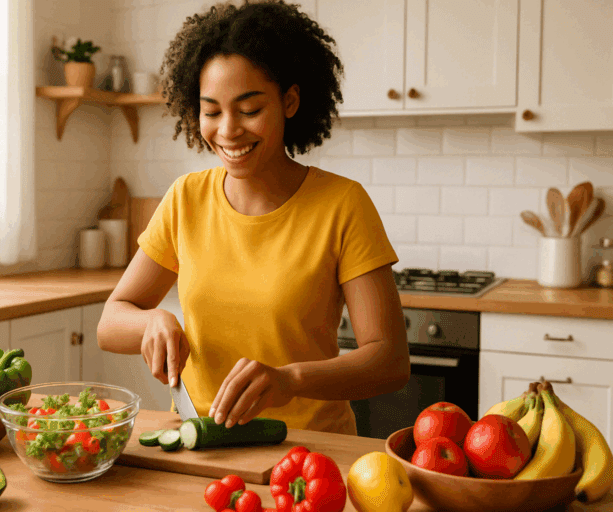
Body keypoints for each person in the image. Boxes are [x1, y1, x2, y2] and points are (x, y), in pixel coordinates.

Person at [97, 0, 410, 436]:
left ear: (290, 101)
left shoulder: (342, 204)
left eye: (249, 110)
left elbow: (390, 360)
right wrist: (150, 321)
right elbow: (110, 321)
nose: (228, 130)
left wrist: (290, 380)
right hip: (203, 440)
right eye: (211, 111)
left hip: (312, 452)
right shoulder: (186, 198)